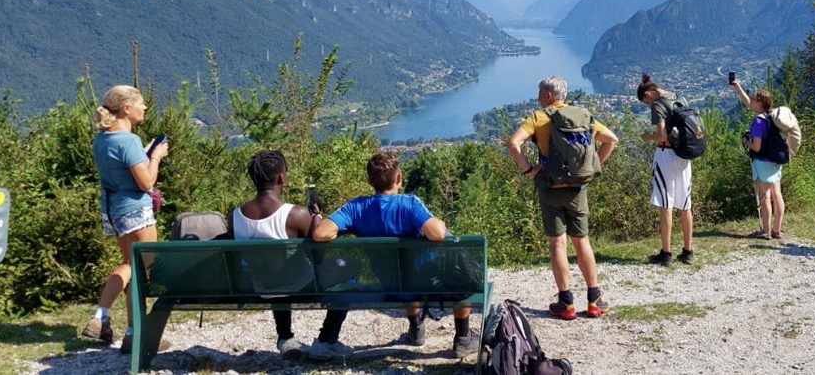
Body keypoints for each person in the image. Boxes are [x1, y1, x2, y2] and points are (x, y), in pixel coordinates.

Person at [313, 152, 480, 358]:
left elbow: (321, 233)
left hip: (390, 285)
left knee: (401, 274)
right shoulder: (408, 204)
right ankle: (463, 338)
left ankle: (416, 329)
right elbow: (437, 233)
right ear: (399, 178)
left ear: (369, 182)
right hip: (421, 284)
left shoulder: (356, 208)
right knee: (458, 270)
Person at [505, 75, 618, 319]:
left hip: (550, 186)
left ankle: (566, 302)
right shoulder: (582, 115)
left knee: (558, 243)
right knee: (582, 241)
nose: (537, 97)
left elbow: (514, 144)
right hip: (578, 189)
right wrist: (591, 167)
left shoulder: (538, 117)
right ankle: (594, 300)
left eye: (539, 92)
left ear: (547, 95)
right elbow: (612, 140)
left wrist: (528, 169)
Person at [228, 150, 350, 361]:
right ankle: (326, 340)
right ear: (280, 177)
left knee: (275, 275)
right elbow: (318, 258)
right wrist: (316, 218)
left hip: (263, 288)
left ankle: (285, 338)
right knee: (349, 268)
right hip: (302, 287)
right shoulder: (296, 215)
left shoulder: (235, 216)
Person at [81, 85, 171, 354]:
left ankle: (116, 324)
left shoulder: (102, 139)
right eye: (141, 103)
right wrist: (154, 157)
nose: (145, 107)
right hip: (136, 210)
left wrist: (141, 155)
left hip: (112, 209)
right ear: (125, 108)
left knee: (129, 265)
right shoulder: (128, 141)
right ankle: (118, 326)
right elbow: (146, 182)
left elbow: (121, 168)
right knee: (138, 269)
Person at [636, 74, 694, 265]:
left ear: (648, 93)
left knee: (665, 204)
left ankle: (666, 253)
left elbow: (661, 135)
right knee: (685, 205)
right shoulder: (679, 97)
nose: (648, 103)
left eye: (646, 100)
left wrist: (647, 137)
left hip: (667, 155)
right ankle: (687, 251)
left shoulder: (658, 104)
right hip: (684, 156)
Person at [730, 81, 786, 240]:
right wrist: (737, 87)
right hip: (775, 161)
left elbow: (756, 147)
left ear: (760, 103)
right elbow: (748, 103)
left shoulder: (758, 121)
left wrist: (747, 142)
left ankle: (765, 231)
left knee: (764, 195)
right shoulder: (772, 117)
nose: (751, 100)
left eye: (754, 98)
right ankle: (776, 230)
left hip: (762, 162)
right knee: (777, 194)